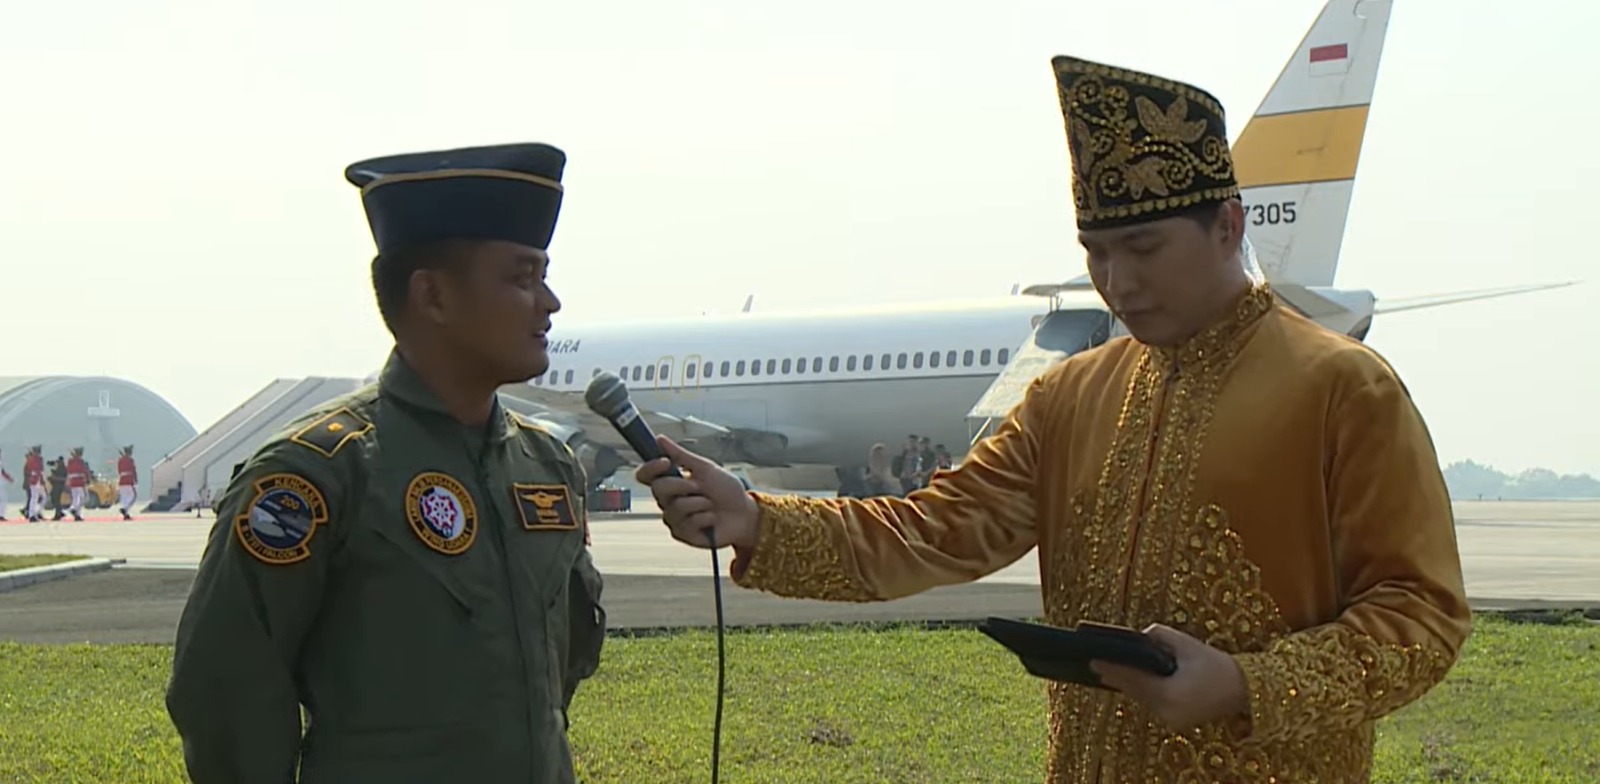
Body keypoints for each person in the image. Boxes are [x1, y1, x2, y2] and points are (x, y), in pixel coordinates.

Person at [637, 54, 1471, 783]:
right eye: (1096, 255)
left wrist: (1247, 685)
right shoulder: (1070, 396)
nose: (1118, 282)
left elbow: (1422, 616)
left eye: (1143, 250)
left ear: (1228, 225)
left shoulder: (1343, 389)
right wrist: (755, 522)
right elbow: (933, 531)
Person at [166, 142, 606, 784]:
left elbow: (551, 675)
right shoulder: (317, 477)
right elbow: (227, 692)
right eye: (521, 277)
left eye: (543, 274)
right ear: (432, 296)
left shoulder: (547, 468)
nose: (550, 302)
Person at [116, 445, 138, 520]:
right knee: (133, 497)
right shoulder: (130, 460)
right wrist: (135, 479)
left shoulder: (120, 460)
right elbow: (133, 470)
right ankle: (125, 509)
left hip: (122, 480)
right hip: (129, 480)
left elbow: (119, 471)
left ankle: (126, 513)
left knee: (124, 497)